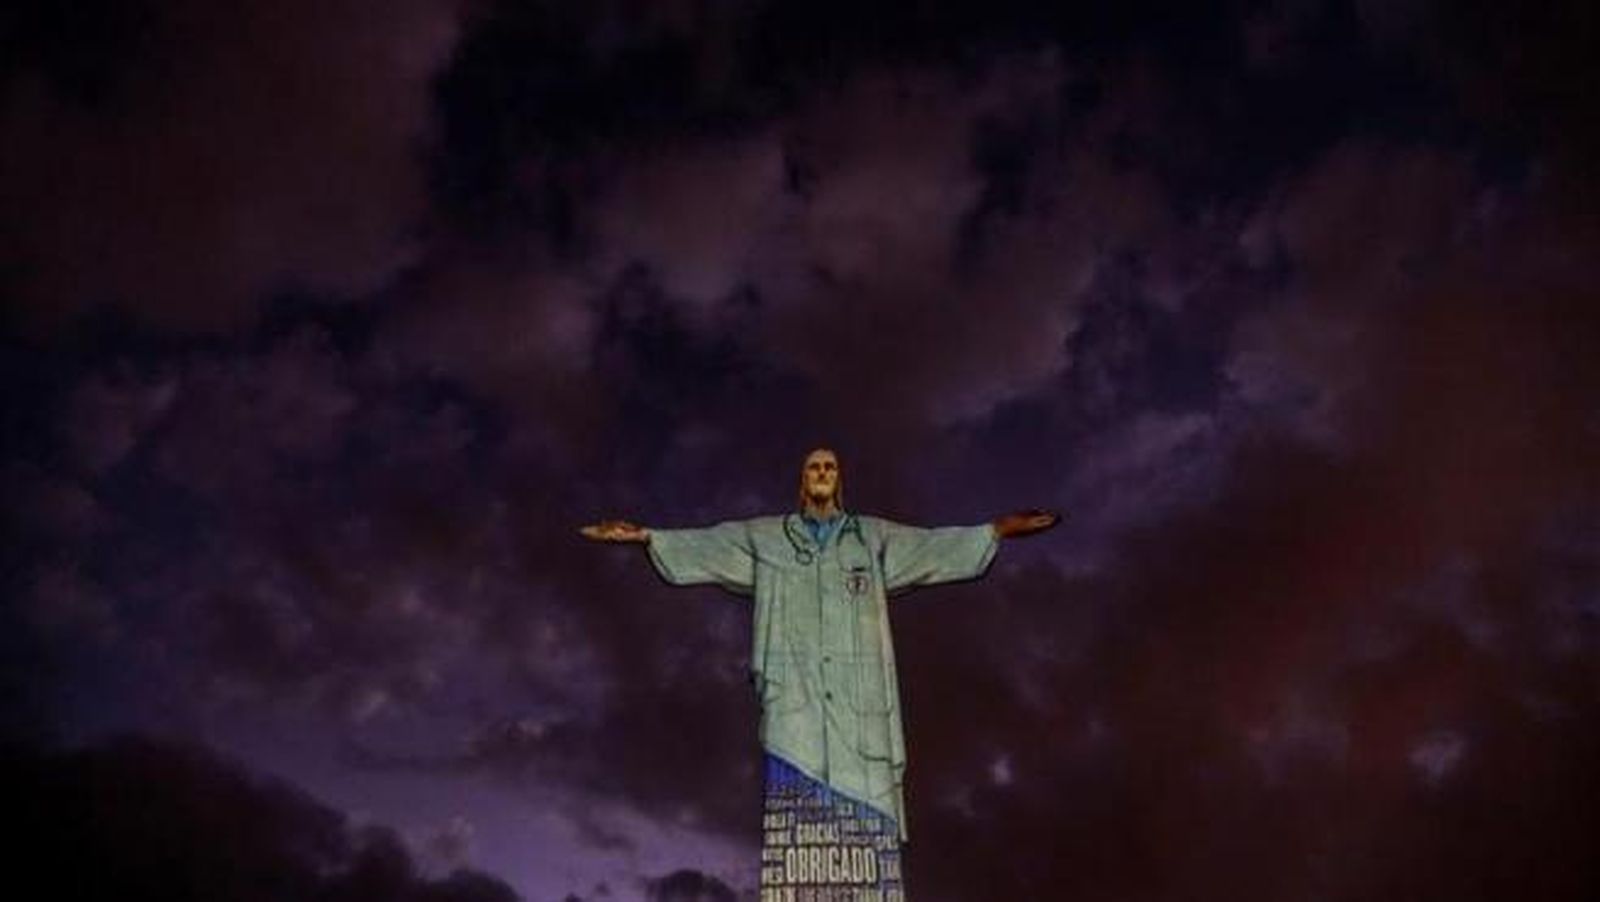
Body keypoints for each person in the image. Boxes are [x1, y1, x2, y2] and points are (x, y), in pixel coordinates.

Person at [581, 448, 1056, 899]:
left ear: (839, 479)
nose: (823, 472)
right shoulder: (767, 537)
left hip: (860, 712)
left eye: (830, 466)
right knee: (795, 840)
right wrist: (647, 537)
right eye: (814, 467)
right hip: (796, 710)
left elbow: (930, 546)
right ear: (802, 481)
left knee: (868, 855)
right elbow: (710, 542)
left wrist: (993, 531)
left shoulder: (871, 537)